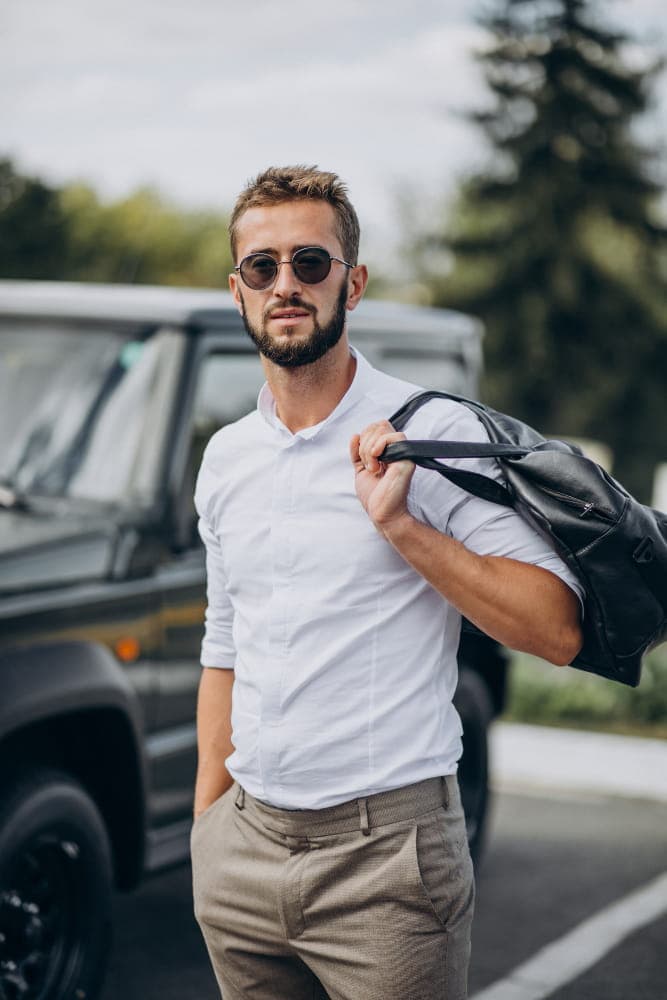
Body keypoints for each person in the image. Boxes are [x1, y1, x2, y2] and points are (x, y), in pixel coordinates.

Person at [191, 165, 583, 1000]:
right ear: (237, 290)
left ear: (353, 281)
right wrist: (207, 830)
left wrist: (402, 528)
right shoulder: (226, 457)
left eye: (310, 262)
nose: (285, 284)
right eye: (262, 267)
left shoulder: (428, 433)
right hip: (242, 856)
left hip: (387, 865)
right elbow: (224, 640)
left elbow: (553, 629)